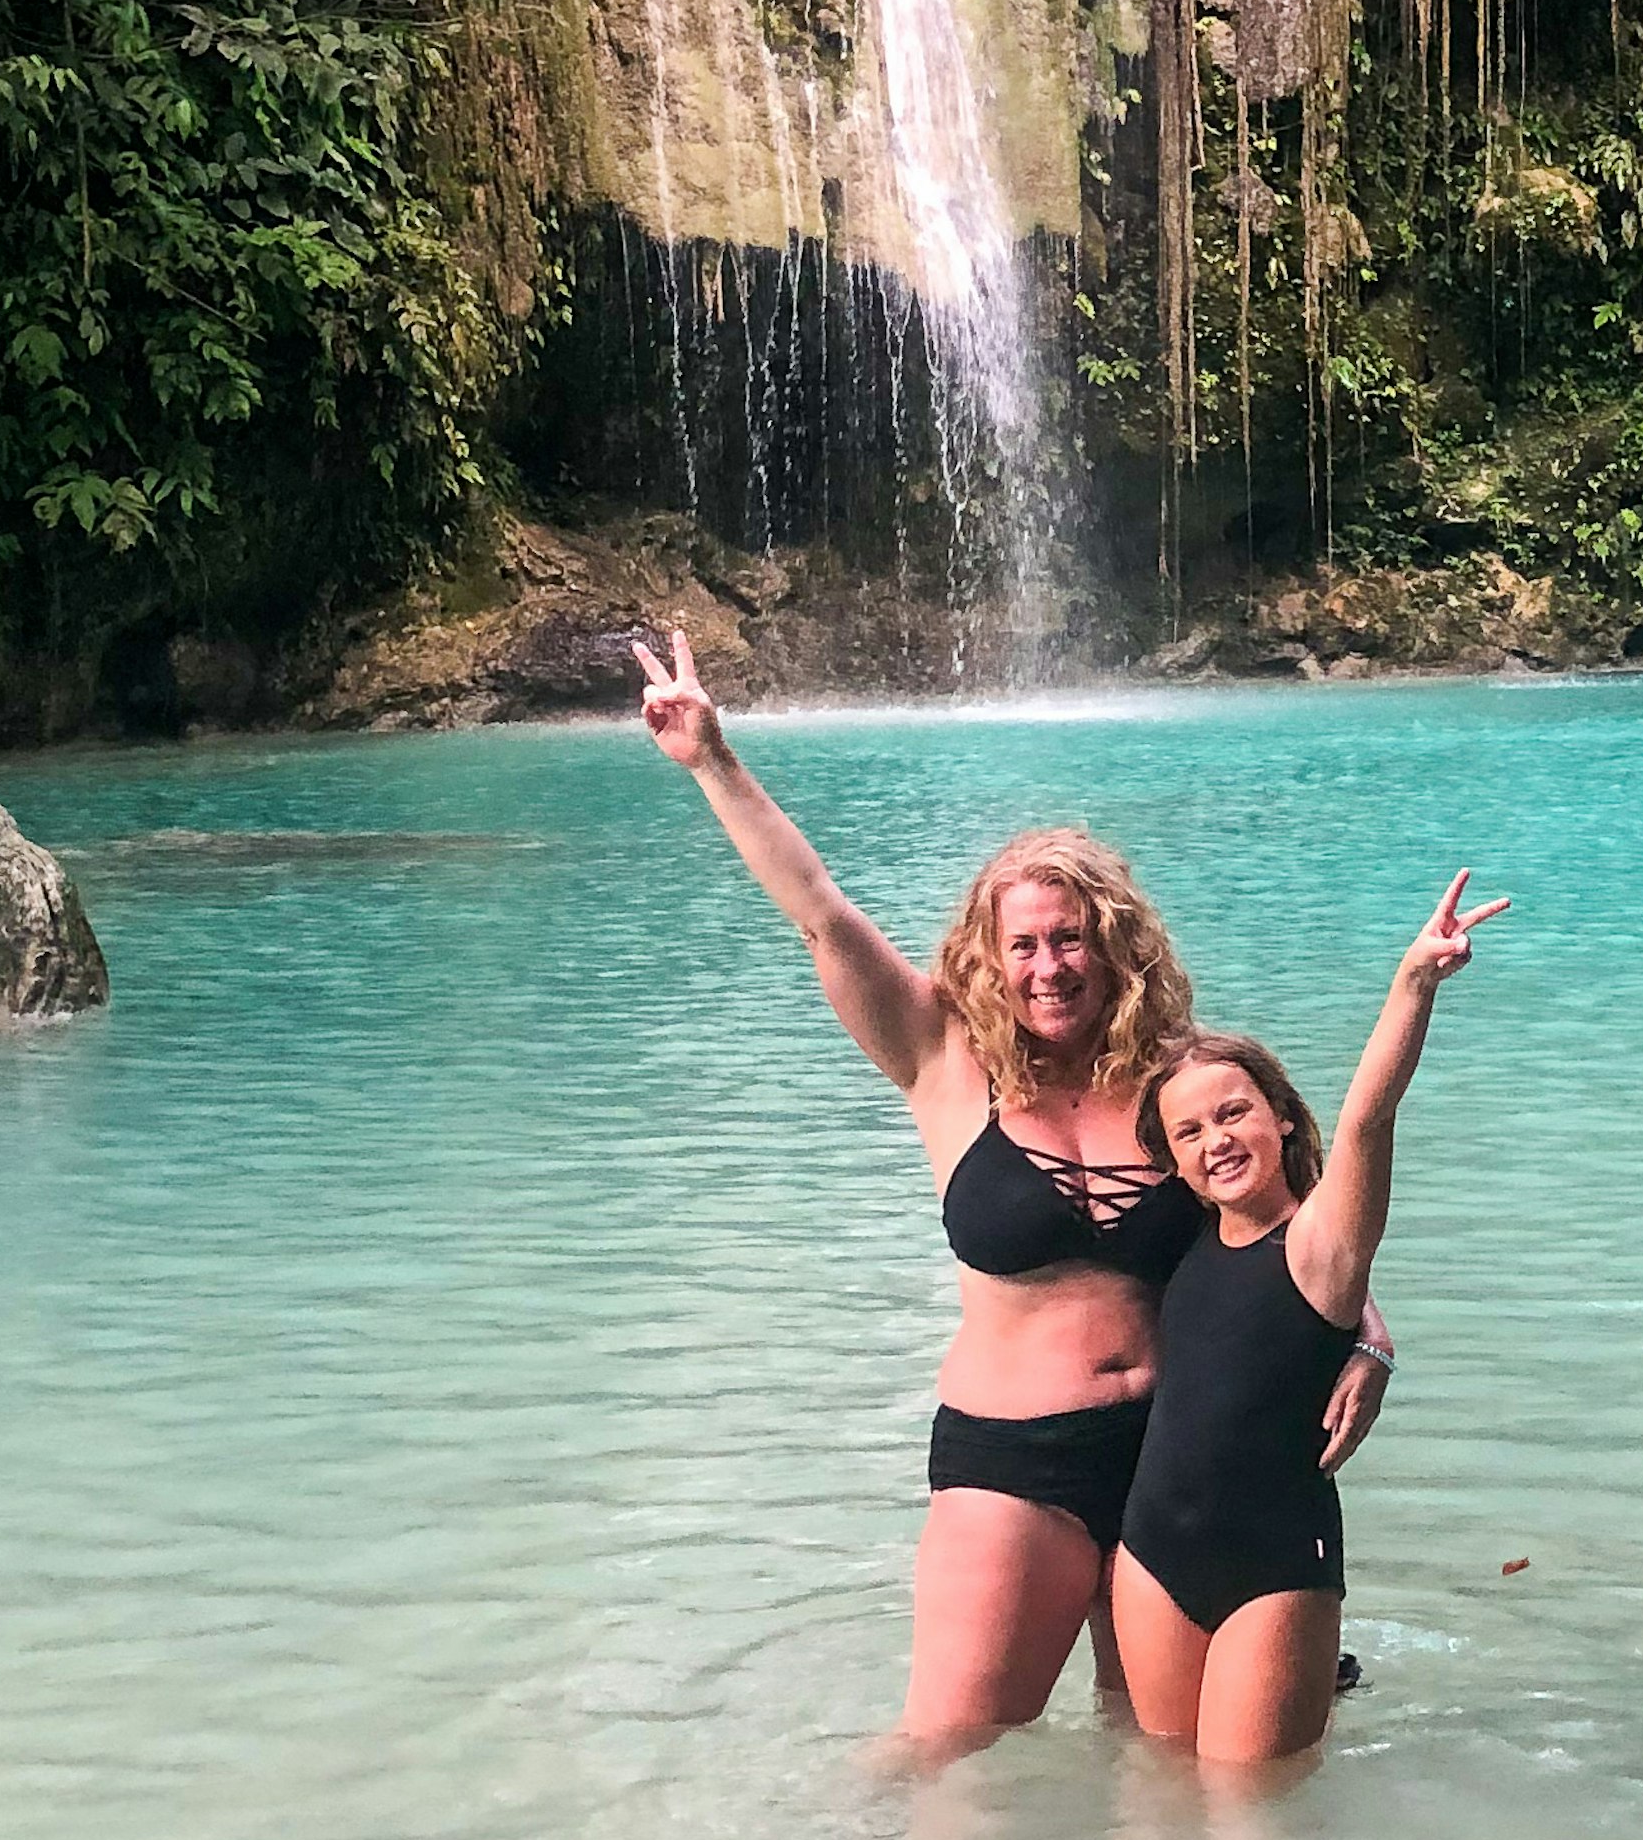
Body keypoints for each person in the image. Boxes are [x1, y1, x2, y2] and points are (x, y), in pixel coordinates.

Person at [624, 628, 1392, 1756]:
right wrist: (712, 761)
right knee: (944, 1746)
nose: (1048, 966)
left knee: (1164, 1760)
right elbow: (823, 914)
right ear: (987, 955)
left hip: (1178, 1455)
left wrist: (1369, 1337)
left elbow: (1295, 1222)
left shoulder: (1177, 1074)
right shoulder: (941, 1058)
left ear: (1112, 942)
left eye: (1070, 938)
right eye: (1022, 944)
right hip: (1012, 1458)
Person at [1114, 870, 1505, 1773]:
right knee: (1163, 1796)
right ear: (1172, 1162)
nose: (1216, 1139)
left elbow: (1368, 1117)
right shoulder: (1184, 1234)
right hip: (1149, 1555)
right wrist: (1376, 1340)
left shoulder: (1322, 1247)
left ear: (1283, 1119)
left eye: (1234, 1112)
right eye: (1190, 1132)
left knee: (1253, 1825)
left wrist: (1412, 985)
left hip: (1275, 1568)